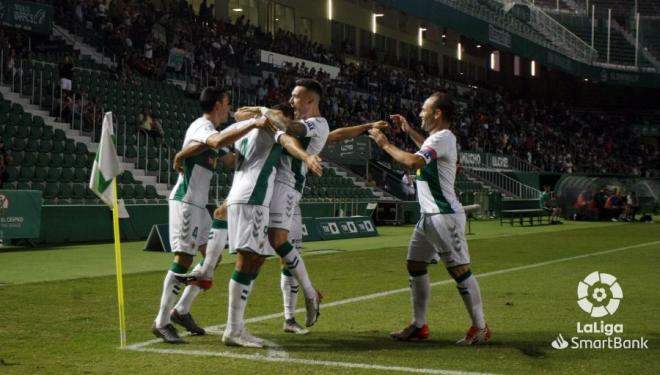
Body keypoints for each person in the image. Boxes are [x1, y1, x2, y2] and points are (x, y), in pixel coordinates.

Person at [368, 91, 491, 345]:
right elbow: (424, 150)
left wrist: (384, 144)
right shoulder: (437, 138)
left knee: (459, 269)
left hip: (444, 216)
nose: (421, 112)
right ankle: (419, 325)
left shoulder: (444, 137)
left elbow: (414, 162)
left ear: (438, 113)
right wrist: (409, 130)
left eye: (424, 109)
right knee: (415, 264)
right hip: (429, 217)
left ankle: (480, 327)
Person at [152, 87, 270, 344]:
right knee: (183, 259)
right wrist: (254, 123)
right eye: (227, 103)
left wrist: (258, 146)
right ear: (217, 104)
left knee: (211, 259)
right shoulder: (202, 126)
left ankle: (181, 310)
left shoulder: (211, 132)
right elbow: (215, 143)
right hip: (186, 202)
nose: (229, 108)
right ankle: (161, 322)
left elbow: (228, 158)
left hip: (199, 206)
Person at [220, 103, 323, 348]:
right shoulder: (271, 126)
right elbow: (286, 140)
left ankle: (237, 328)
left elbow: (230, 154)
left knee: (255, 259)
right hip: (252, 198)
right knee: (246, 261)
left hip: (244, 197)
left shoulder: (246, 128)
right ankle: (233, 330)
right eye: (288, 118)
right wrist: (307, 156)